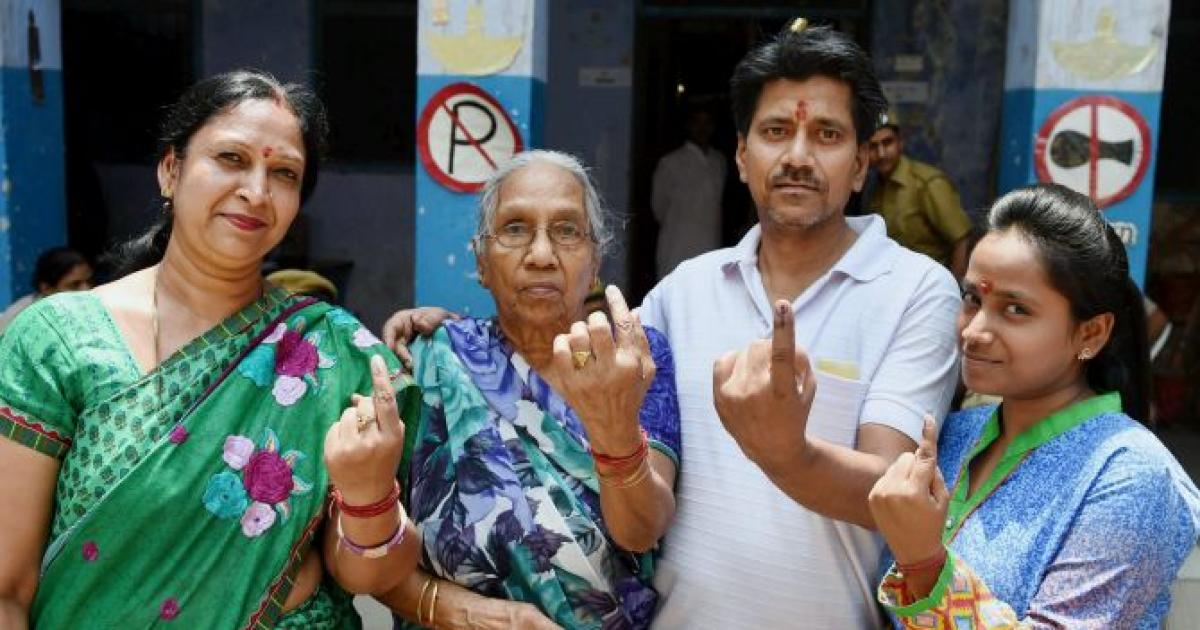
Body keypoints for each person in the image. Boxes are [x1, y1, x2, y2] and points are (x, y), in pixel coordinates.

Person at [383, 20, 960, 628]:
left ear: (862, 163)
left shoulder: (915, 291)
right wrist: (463, 336)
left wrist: (787, 453)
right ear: (743, 156)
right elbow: (566, 339)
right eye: (775, 131)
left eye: (827, 134)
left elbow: (894, 491)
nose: (797, 156)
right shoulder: (686, 290)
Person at [0, 69, 422, 628]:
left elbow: (369, 577)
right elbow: (7, 587)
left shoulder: (330, 352)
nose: (256, 191)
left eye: (284, 173)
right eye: (230, 159)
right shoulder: (61, 340)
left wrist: (368, 493)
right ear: (170, 171)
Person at [868, 183, 1200, 627]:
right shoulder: (958, 433)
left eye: (1015, 310)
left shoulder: (1131, 476)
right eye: (973, 299)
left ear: (1091, 333)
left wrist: (925, 563)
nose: (974, 331)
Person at [376, 150, 681, 630]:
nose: (541, 255)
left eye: (567, 231)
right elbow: (363, 548)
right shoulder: (431, 362)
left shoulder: (634, 358)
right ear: (481, 261)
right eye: (515, 229)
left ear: (595, 262)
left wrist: (612, 427)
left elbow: (641, 532)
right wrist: (471, 615)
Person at [867, 110, 972, 279]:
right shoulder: (872, 187)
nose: (881, 154)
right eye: (873, 146)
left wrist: (955, 288)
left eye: (887, 143)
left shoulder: (927, 183)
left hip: (930, 282)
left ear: (900, 142)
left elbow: (961, 241)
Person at [651, 106, 726, 278]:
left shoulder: (719, 162)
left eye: (707, 123)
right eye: (697, 122)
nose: (702, 128)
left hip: (710, 251)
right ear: (688, 126)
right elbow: (658, 209)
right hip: (676, 251)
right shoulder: (670, 163)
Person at [0, 246, 93, 334]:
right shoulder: (20, 318)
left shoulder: (91, 307)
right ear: (47, 288)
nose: (86, 289)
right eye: (74, 285)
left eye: (89, 281)